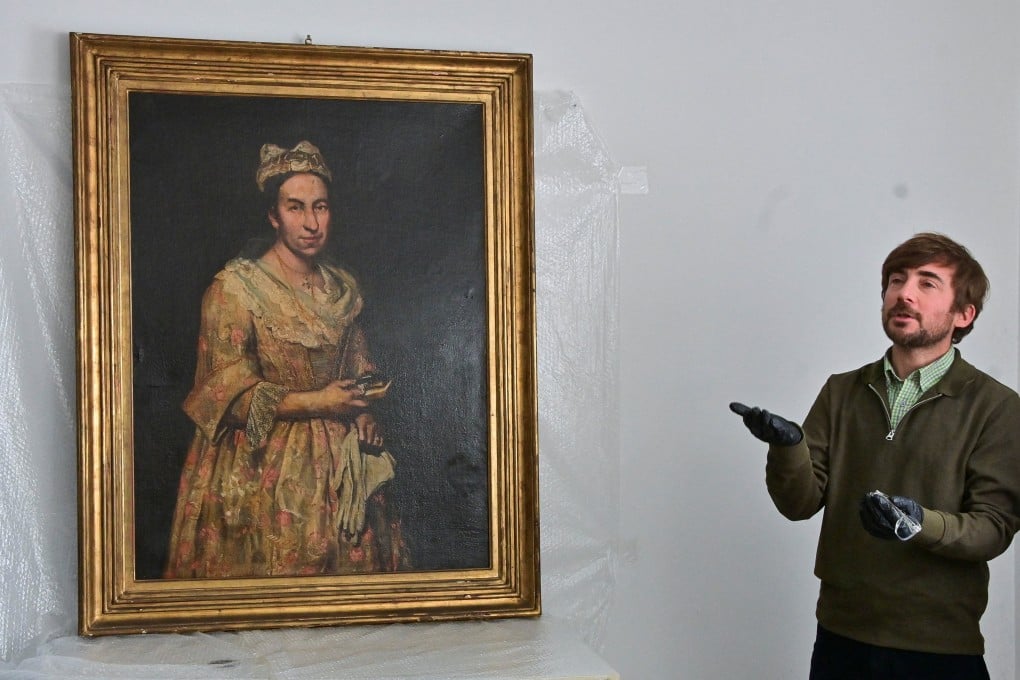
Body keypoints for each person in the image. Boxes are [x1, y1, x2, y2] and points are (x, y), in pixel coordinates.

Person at [730, 232, 1020, 679]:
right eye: (896, 280)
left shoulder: (996, 406)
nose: (903, 293)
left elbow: (994, 528)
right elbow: (799, 504)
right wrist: (787, 448)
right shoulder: (842, 390)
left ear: (964, 314)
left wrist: (918, 524)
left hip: (939, 650)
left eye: (927, 283)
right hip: (840, 639)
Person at [165, 140, 410, 578]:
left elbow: (359, 366)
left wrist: (362, 412)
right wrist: (319, 403)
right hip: (261, 469)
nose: (312, 223)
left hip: (341, 465)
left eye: (320, 207)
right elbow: (230, 400)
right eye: (296, 208)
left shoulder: (341, 288)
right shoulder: (235, 290)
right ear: (273, 216)